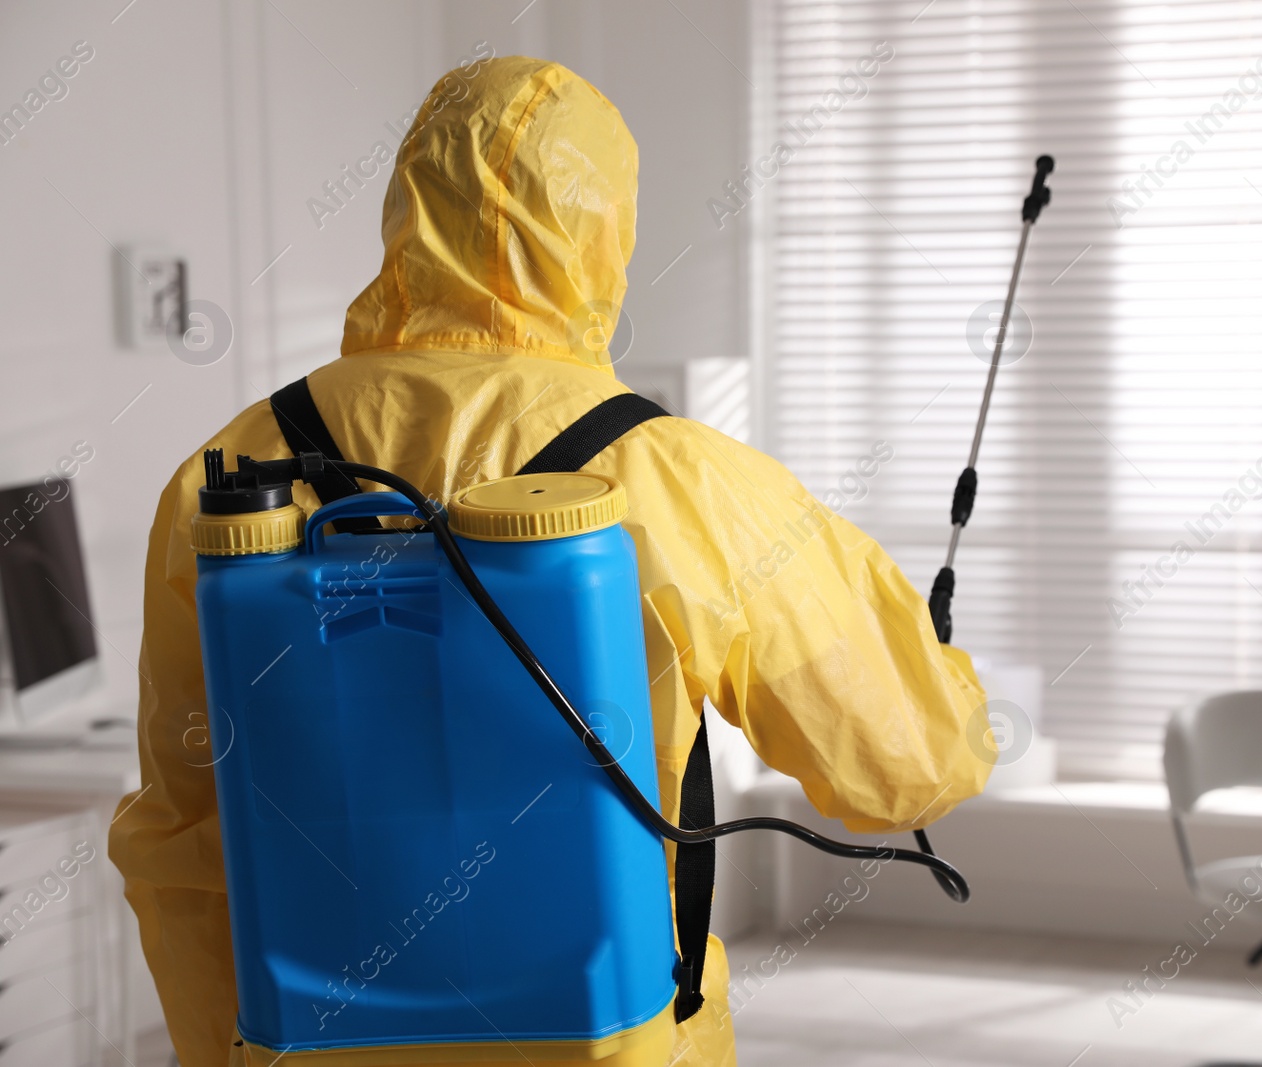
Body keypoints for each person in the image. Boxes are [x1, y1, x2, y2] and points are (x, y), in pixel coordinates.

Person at [109, 56, 990, 1067]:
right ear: (603, 237)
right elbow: (901, 767)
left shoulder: (223, 483)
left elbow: (180, 844)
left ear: (406, 210)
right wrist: (939, 671)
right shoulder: (683, 480)